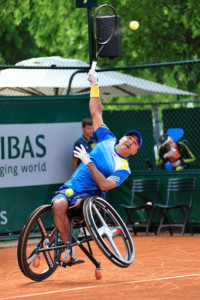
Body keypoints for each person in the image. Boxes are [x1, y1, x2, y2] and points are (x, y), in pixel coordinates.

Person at [52, 69, 142, 265]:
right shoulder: (107, 138)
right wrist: (94, 84)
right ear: (122, 137)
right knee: (58, 203)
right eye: (130, 137)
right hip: (72, 186)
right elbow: (96, 111)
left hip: (90, 198)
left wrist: (88, 162)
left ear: (134, 152)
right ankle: (69, 249)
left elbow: (104, 185)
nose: (130, 141)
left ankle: (99, 231)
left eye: (135, 143)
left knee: (74, 205)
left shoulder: (124, 168)